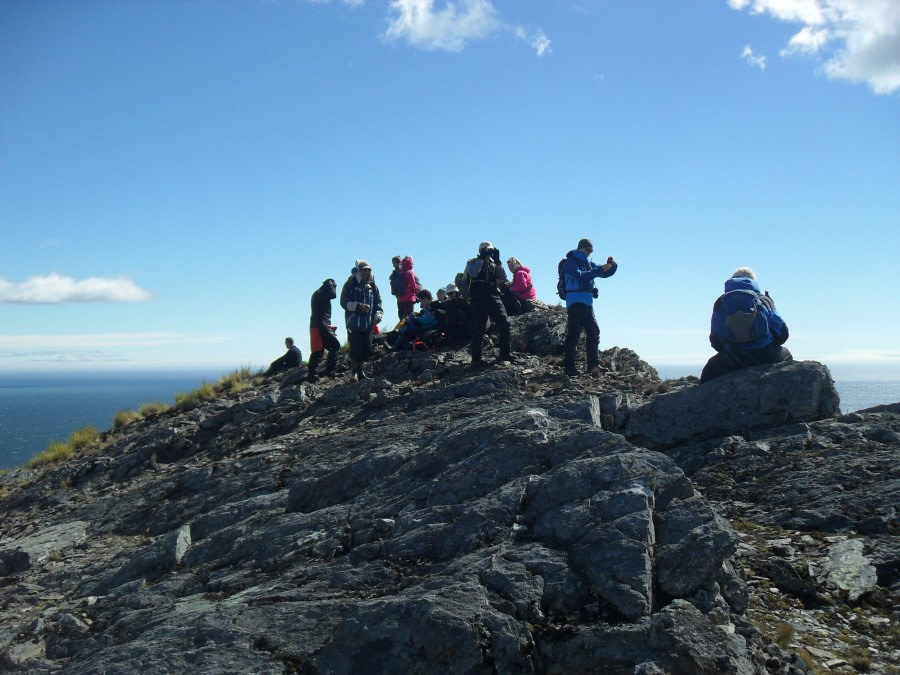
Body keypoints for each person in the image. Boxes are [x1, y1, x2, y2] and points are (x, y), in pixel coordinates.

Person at [700, 267, 792, 383]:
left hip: (731, 357)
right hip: (764, 354)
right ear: (753, 281)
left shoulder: (721, 302)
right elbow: (781, 333)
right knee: (786, 355)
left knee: (710, 370)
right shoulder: (763, 300)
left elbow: (715, 339)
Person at [561, 238, 618, 377]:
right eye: (588, 250)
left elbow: (604, 274)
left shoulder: (588, 263)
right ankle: (569, 368)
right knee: (574, 333)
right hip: (575, 301)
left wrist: (612, 265)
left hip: (587, 302)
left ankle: (593, 366)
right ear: (580, 248)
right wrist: (599, 270)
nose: (589, 252)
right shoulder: (570, 262)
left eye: (591, 250)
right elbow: (580, 276)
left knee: (593, 332)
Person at [463, 241, 514, 368]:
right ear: (480, 251)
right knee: (479, 328)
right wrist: (481, 259)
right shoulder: (472, 262)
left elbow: (502, 276)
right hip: (478, 298)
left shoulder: (492, 264)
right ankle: (476, 359)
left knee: (504, 323)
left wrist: (498, 262)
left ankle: (505, 354)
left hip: (493, 296)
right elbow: (473, 273)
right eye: (486, 250)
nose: (489, 252)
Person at [340, 260, 383, 381]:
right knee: (356, 348)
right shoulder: (350, 284)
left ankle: (360, 371)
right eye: (364, 270)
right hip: (353, 323)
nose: (367, 272)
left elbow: (378, 303)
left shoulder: (373, 286)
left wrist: (378, 315)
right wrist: (359, 306)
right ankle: (355, 372)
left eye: (368, 270)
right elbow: (344, 302)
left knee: (367, 349)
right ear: (359, 271)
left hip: (367, 324)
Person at [307, 279, 341, 382]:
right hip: (321, 325)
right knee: (334, 345)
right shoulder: (321, 293)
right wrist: (331, 283)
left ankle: (313, 376)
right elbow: (333, 295)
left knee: (319, 350)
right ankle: (330, 372)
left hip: (317, 325)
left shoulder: (318, 293)